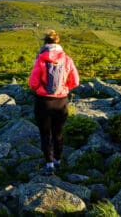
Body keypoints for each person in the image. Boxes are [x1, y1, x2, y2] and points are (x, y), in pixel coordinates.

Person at [29, 30, 79, 175]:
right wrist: (64, 88)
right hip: (61, 102)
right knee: (58, 133)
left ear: (45, 42)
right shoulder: (67, 59)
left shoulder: (41, 59)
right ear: (58, 42)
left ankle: (49, 164)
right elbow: (75, 81)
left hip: (43, 102)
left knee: (45, 134)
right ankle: (58, 160)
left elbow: (33, 83)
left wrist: (40, 88)